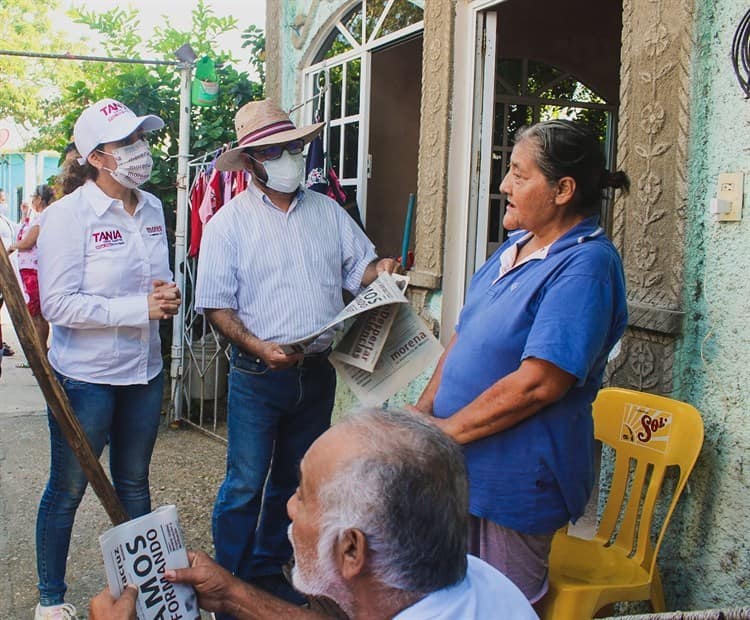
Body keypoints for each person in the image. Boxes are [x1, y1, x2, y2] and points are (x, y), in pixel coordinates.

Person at [411, 120, 629, 604]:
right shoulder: (514, 247)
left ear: (562, 190)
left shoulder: (586, 264)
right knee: (452, 599)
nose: (504, 185)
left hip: (516, 480)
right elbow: (463, 338)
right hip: (463, 467)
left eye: (518, 174)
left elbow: (540, 384)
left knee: (502, 606)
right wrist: (425, 414)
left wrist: (443, 434)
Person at [194, 98, 397, 611]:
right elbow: (216, 306)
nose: (290, 158)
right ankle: (229, 581)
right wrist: (257, 346)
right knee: (244, 482)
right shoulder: (227, 224)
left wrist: (385, 270)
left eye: (294, 147)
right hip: (258, 373)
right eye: (277, 150)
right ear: (253, 163)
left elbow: (360, 272)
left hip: (316, 371)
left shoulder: (327, 212)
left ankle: (265, 567)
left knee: (293, 478)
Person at [89, 408, 538, 620]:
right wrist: (230, 595)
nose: (287, 505)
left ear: (350, 549)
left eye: (303, 496)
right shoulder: (477, 579)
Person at [33, 98, 182, 620]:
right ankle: (50, 598)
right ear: (97, 157)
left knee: (135, 481)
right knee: (68, 488)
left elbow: (155, 281)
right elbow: (58, 304)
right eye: (127, 143)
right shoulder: (66, 218)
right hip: (86, 379)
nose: (140, 151)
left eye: (142, 139)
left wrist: (166, 294)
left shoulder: (153, 208)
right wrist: (138, 307)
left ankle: (144, 595)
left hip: (144, 372)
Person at [9, 184, 54, 346]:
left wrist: (11, 247)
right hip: (29, 269)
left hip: (33, 271)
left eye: (33, 197)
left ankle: (41, 350)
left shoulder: (43, 217)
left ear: (40, 199)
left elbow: (28, 242)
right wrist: (25, 214)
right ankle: (40, 349)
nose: (32, 201)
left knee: (36, 314)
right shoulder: (39, 216)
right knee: (35, 313)